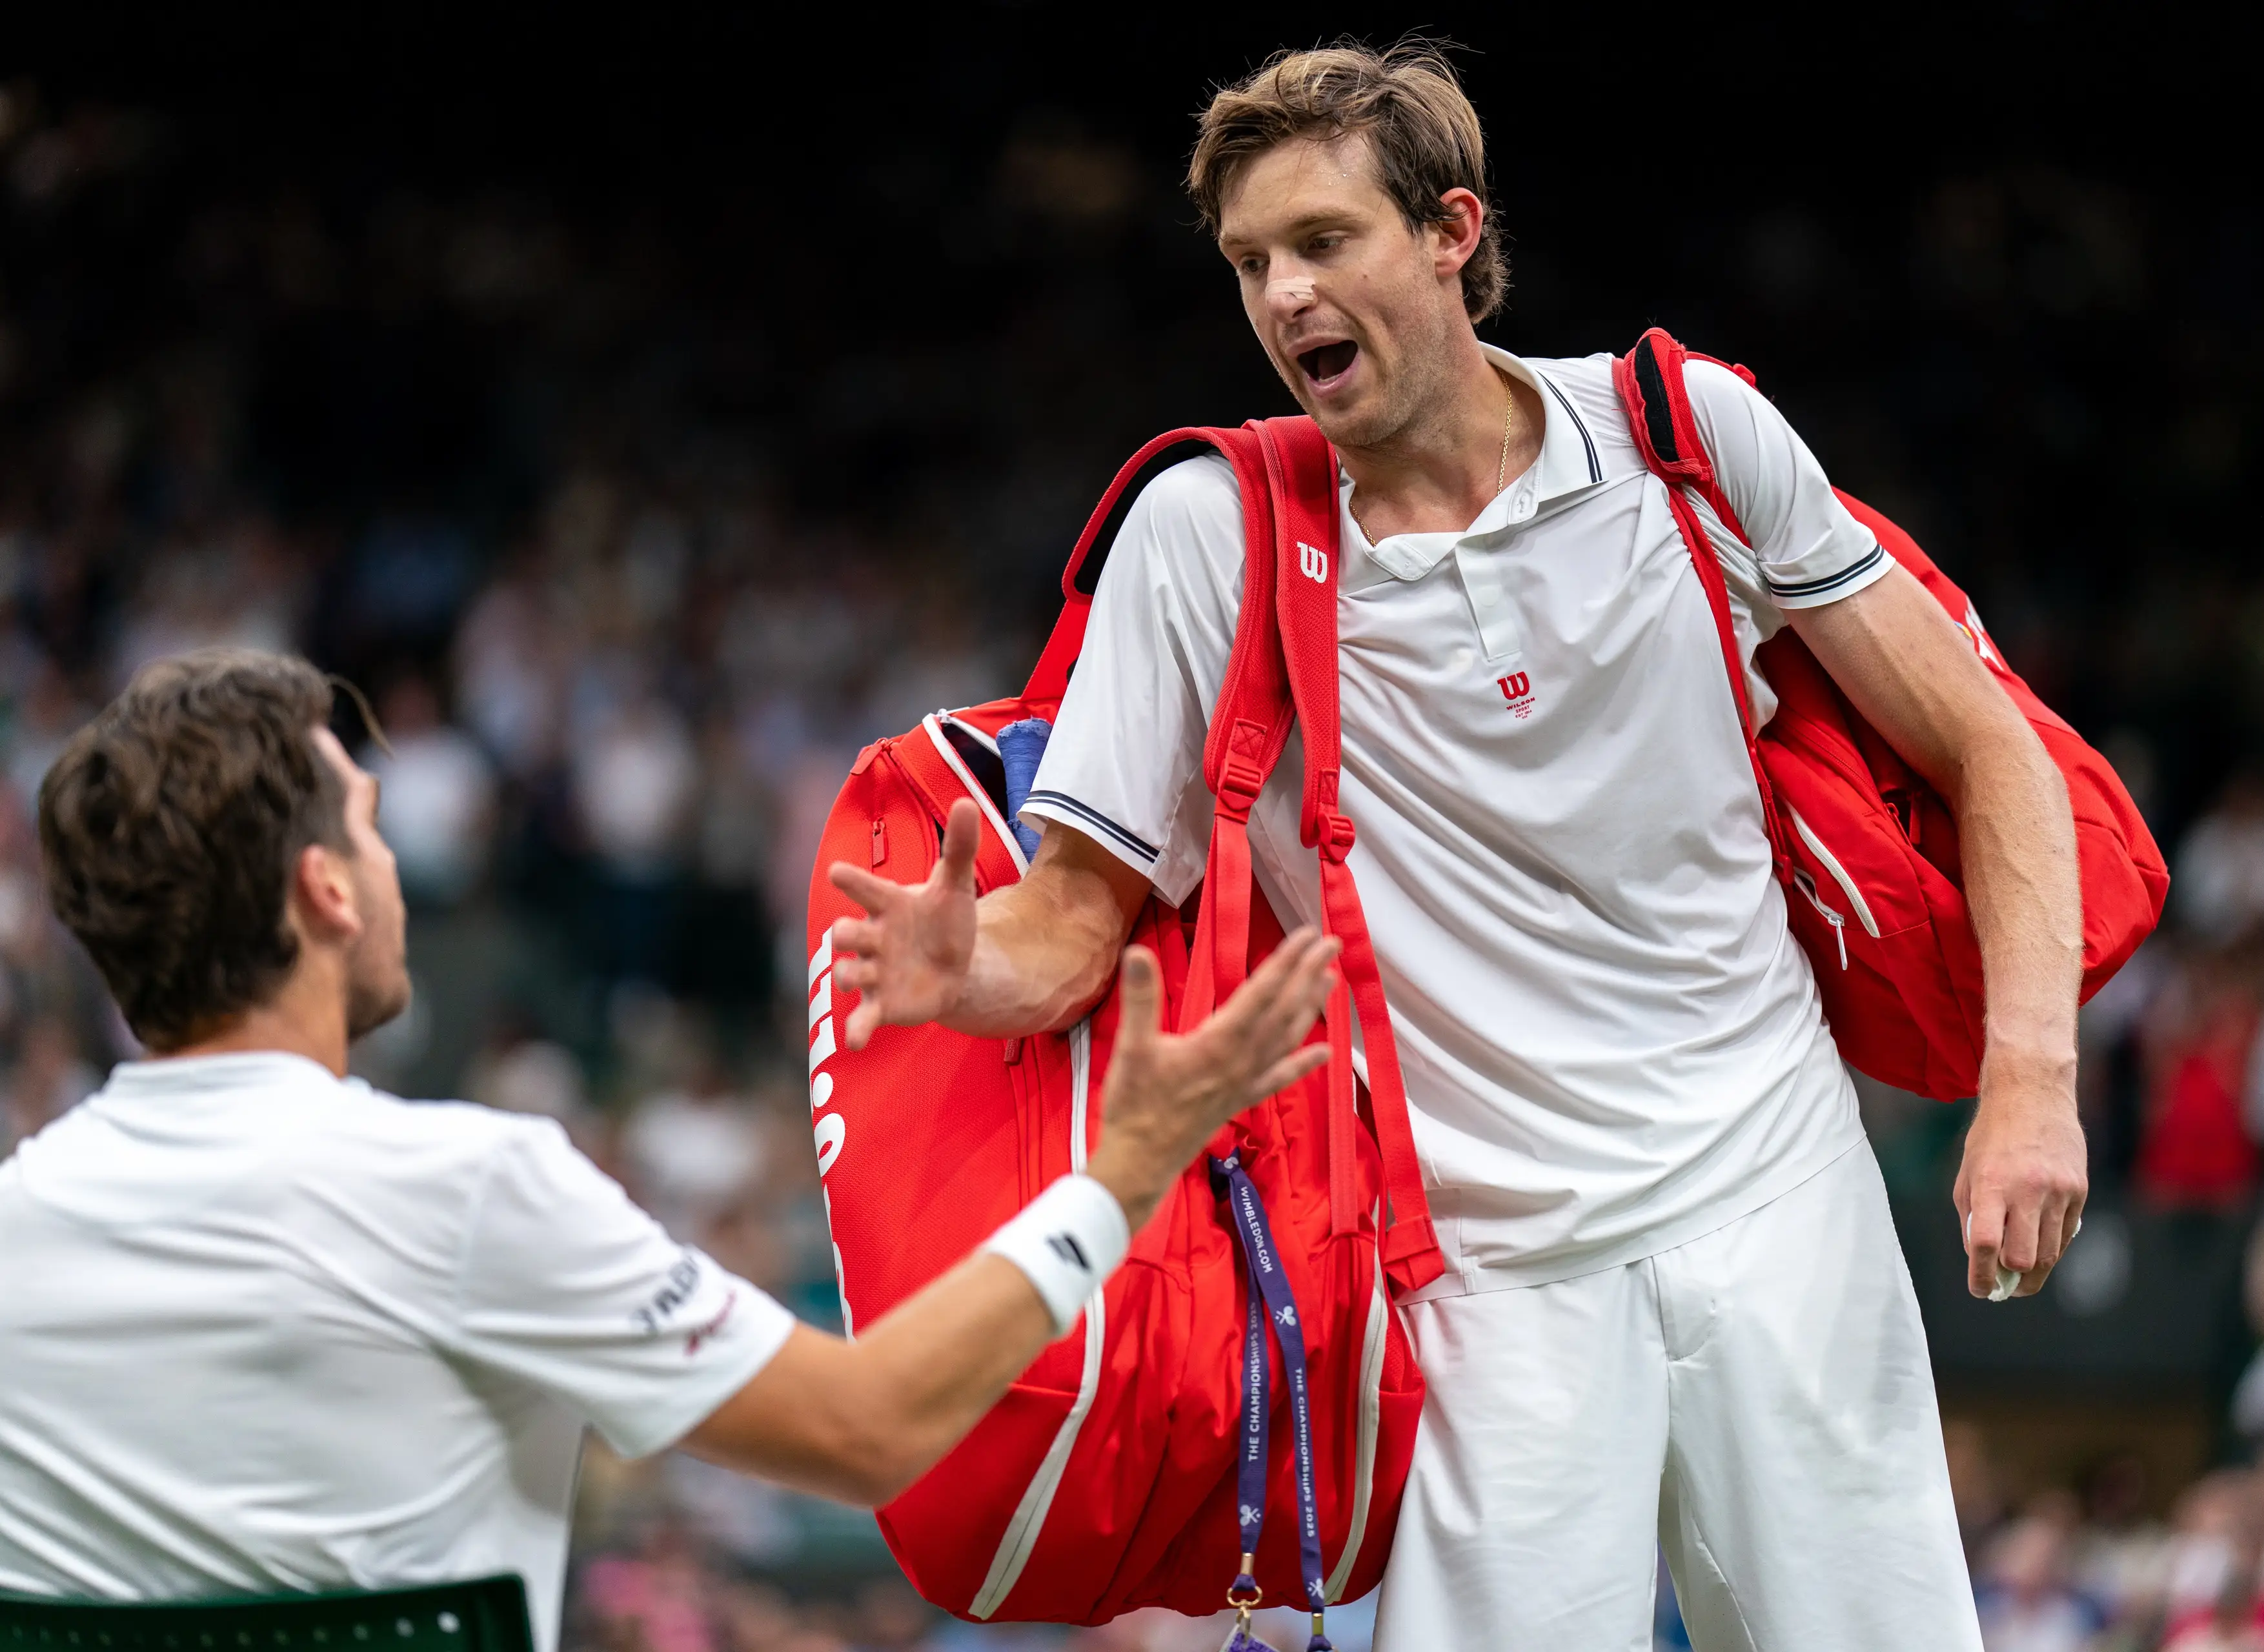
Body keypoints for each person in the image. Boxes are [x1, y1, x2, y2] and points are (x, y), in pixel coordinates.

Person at [827, 42, 2087, 1651]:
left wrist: (2031, 1079)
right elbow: (1073, 925)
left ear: (1448, 230)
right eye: (1250, 265)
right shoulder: (1204, 535)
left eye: (1321, 241)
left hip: (1784, 1191)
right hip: (1482, 1276)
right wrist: (965, 964)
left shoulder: (1678, 433)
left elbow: (1994, 746)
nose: (1284, 296)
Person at [0, 650, 1339, 1651]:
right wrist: (1120, 1175)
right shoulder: (473, 1192)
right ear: (326, 890)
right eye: (367, 823)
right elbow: (869, 1428)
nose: (396, 863)